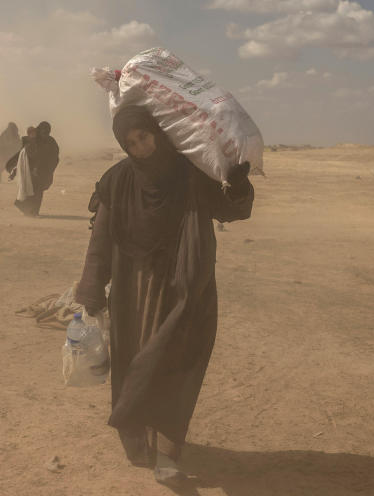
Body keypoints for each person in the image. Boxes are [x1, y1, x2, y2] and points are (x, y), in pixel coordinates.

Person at [74, 105, 254, 486]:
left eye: (144, 137)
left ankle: (168, 455)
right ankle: (139, 437)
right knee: (134, 364)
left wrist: (237, 185)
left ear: (158, 131)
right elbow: (101, 238)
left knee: (174, 363)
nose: (140, 148)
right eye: (131, 143)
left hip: (181, 291)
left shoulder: (190, 174)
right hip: (131, 292)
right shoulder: (118, 180)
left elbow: (231, 210)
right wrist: (92, 288)